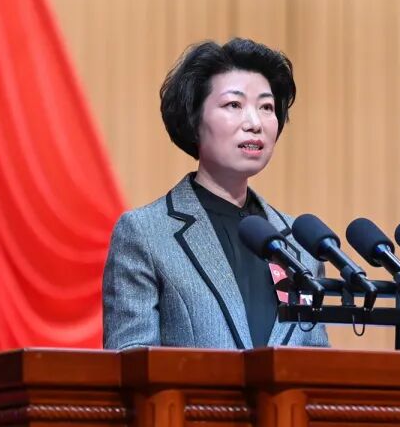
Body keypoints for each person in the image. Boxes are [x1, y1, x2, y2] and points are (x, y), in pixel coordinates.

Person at [102, 37, 329, 350]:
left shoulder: (301, 246)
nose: (254, 123)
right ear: (194, 119)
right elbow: (131, 363)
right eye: (234, 105)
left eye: (266, 107)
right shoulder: (145, 234)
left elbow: (316, 359)